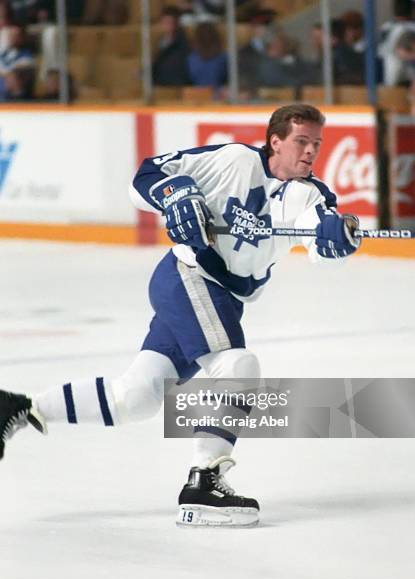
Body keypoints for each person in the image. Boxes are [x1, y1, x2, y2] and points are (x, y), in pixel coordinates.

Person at [0, 104, 362, 527]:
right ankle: (203, 483)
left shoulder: (311, 194)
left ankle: (17, 407)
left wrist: (338, 240)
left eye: (316, 144)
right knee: (237, 364)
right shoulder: (232, 160)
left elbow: (324, 241)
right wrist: (176, 194)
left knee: (134, 399)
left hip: (221, 298)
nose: (310, 152)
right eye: (302, 141)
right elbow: (147, 176)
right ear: (275, 140)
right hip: (189, 277)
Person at [152, 5, 190, 87]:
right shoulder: (158, 42)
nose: (165, 26)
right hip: (159, 85)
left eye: (169, 23)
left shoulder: (183, 45)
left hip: (174, 85)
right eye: (163, 22)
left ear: (176, 24)